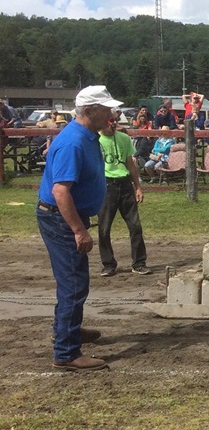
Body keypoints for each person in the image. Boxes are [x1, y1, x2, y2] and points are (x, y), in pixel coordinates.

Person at [37, 85, 121, 371]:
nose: (111, 113)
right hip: (61, 220)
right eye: (106, 108)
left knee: (74, 281)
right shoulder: (74, 142)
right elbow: (61, 191)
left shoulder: (87, 136)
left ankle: (67, 330)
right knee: (74, 284)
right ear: (89, 111)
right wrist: (78, 230)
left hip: (65, 218)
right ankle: (66, 352)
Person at [97, 112, 150, 277]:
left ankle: (139, 262)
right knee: (104, 228)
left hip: (125, 184)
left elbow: (130, 164)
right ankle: (108, 264)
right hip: (106, 185)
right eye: (109, 120)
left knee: (135, 226)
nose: (113, 123)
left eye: (115, 120)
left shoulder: (123, 138)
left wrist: (138, 187)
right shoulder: (95, 140)